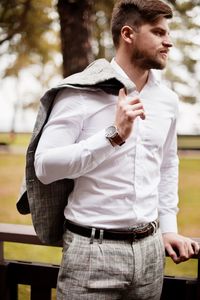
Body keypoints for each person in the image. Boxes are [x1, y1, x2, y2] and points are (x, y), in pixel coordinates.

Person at [32, 0, 200, 299]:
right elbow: (44, 167)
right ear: (128, 34)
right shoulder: (79, 92)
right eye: (159, 32)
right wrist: (113, 135)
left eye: (168, 34)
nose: (169, 42)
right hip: (91, 253)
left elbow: (166, 164)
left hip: (150, 254)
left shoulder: (168, 101)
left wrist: (169, 227)